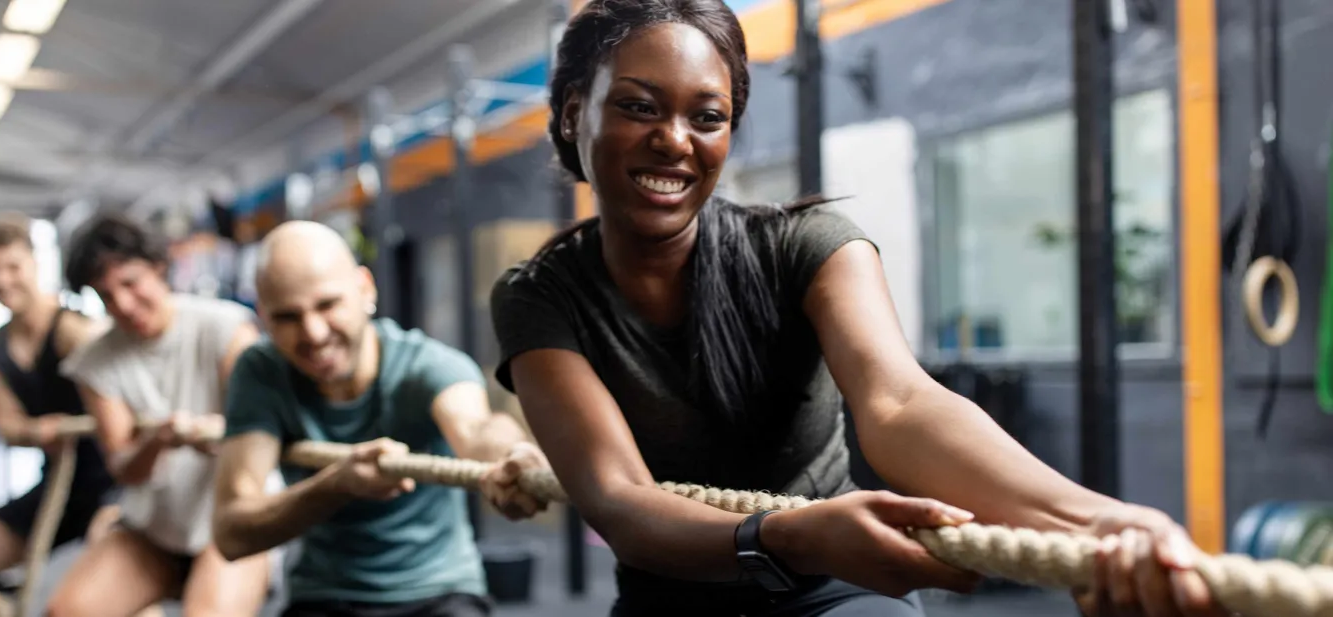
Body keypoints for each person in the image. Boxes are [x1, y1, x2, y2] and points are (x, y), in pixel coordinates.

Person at [489, 1, 1230, 616]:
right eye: (638, 107)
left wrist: (1096, 522)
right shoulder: (539, 295)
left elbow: (901, 404)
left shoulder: (807, 246)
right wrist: (789, 536)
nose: (674, 140)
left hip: (832, 588)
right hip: (671, 593)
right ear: (574, 113)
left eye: (707, 117)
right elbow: (619, 499)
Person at [211, 220, 550, 617]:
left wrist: (513, 456)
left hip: (439, 592)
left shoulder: (428, 365)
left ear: (365, 289)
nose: (314, 333)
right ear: (264, 317)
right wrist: (336, 485)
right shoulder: (261, 372)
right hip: (324, 595)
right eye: (288, 317)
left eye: (327, 305)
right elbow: (232, 534)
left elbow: (477, 430)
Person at [45, 213, 272, 617]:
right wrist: (157, 441)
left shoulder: (226, 328)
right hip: (153, 530)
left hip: (231, 523)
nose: (123, 304)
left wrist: (222, 435)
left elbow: (260, 432)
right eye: (106, 296)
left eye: (130, 283)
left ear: (158, 267)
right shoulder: (95, 362)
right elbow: (125, 468)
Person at [0, 216, 122, 617]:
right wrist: (38, 430)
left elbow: (126, 406)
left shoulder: (74, 331)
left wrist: (59, 427)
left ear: (35, 263)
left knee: (114, 595)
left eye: (13, 267)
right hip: (58, 486)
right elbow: (8, 425)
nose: (2, 280)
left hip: (115, 486)